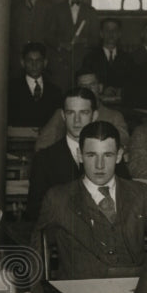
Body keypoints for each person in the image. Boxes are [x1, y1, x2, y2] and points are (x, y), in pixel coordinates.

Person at [33, 121, 147, 279]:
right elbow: (35, 257)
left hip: (132, 292)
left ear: (119, 156)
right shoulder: (58, 198)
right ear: (79, 155)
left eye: (107, 155)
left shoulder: (140, 193)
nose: (99, 165)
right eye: (91, 155)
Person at [25, 87, 96, 221]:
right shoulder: (44, 159)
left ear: (94, 115)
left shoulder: (110, 155)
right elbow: (35, 211)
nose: (77, 120)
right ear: (63, 116)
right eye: (71, 113)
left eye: (84, 113)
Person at [34, 69, 129, 151]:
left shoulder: (114, 117)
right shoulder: (63, 114)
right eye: (83, 86)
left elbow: (122, 145)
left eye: (92, 85)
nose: (88, 89)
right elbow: (42, 145)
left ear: (100, 87)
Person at [7, 42, 65, 128]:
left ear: (45, 63)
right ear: (23, 63)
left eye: (38, 60)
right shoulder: (11, 89)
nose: (34, 65)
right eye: (30, 60)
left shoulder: (55, 92)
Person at [80, 18, 133, 102]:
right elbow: (85, 83)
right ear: (101, 34)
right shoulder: (90, 57)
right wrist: (102, 89)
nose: (111, 33)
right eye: (107, 30)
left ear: (119, 34)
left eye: (114, 30)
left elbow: (132, 83)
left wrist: (120, 91)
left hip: (122, 104)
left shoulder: (128, 58)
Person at [57, 0, 100, 72]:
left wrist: (84, 40)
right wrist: (62, 44)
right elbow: (49, 35)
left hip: (84, 62)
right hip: (61, 61)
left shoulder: (91, 11)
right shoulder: (57, 9)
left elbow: (96, 39)